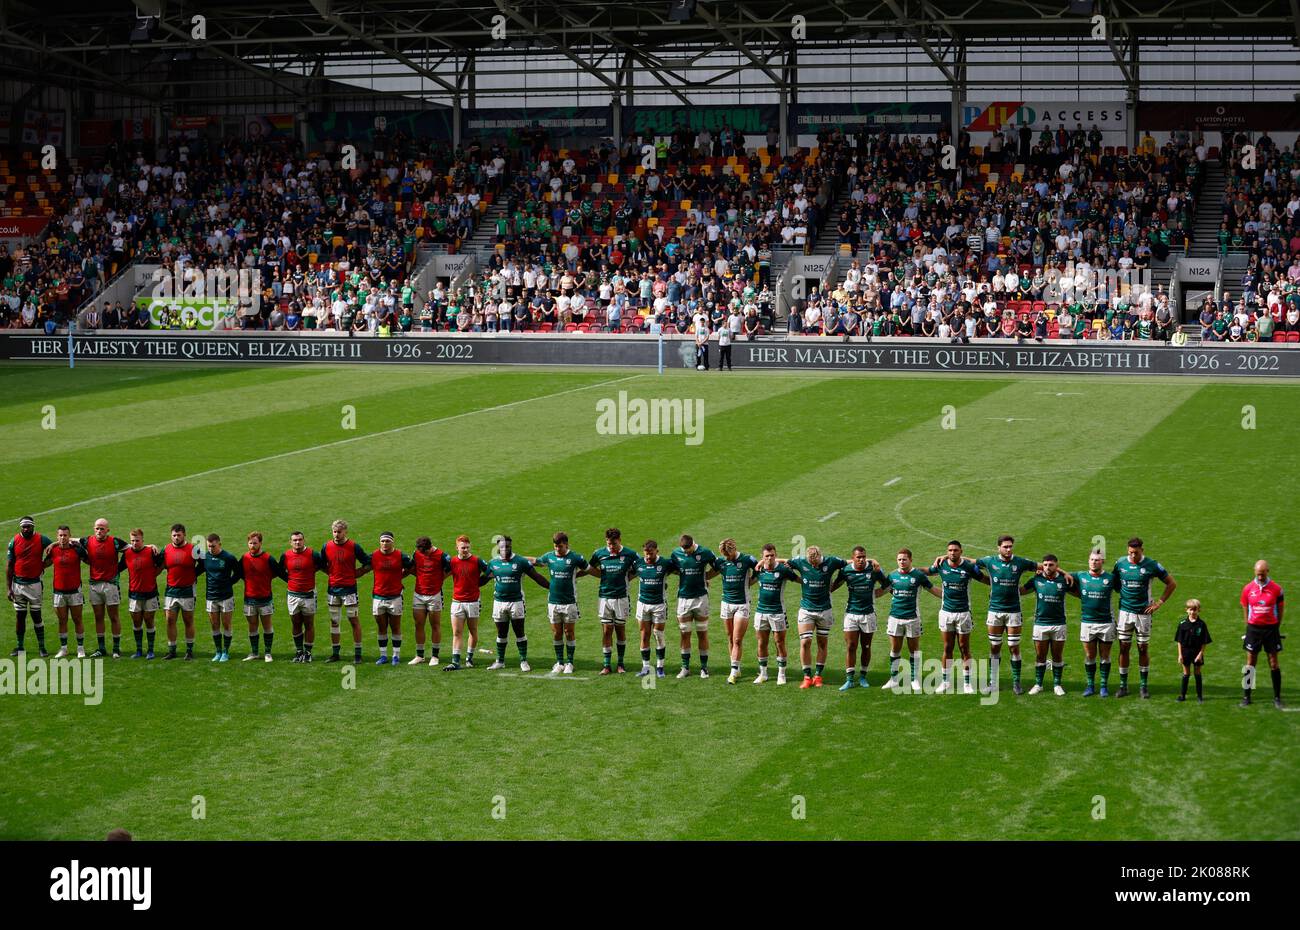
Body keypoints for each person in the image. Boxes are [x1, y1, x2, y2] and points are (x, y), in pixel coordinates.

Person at [1113, 536, 1176, 699]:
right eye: (1130, 552)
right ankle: (1123, 686)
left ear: (1142, 550)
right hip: (1125, 613)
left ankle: (1143, 686)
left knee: (1143, 648)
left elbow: (1171, 583)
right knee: (1123, 648)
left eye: (1136, 552)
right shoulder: (1120, 563)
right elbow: (1115, 583)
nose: (1133, 556)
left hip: (1144, 613)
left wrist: (1159, 603)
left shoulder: (1152, 565)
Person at [976, 535, 1039, 695]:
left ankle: (1016, 682)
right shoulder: (989, 561)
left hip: (1013, 611)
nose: (1009, 549)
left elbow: (1043, 566)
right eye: (1005, 546)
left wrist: (1063, 573)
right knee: (995, 647)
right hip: (995, 611)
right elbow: (969, 562)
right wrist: (943, 557)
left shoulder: (1020, 562)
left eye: (1010, 546)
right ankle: (993, 682)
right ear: (999, 547)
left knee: (1013, 647)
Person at [925, 540, 989, 694]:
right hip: (946, 612)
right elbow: (927, 571)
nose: (952, 553)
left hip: (963, 613)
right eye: (950, 550)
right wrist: (909, 569)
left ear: (961, 551)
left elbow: (984, 578)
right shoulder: (942, 565)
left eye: (955, 550)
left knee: (964, 648)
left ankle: (967, 683)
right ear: (947, 552)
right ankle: (945, 682)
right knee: (947, 647)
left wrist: (1000, 584)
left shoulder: (969, 567)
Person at [787, 545, 849, 688]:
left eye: (815, 563)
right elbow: (784, 563)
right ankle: (807, 676)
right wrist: (761, 562)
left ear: (820, 556)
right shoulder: (801, 561)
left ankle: (818, 676)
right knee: (805, 642)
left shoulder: (831, 562)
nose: (813, 565)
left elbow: (848, 564)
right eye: (811, 563)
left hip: (824, 610)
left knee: (822, 643)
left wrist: (872, 561)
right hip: (806, 610)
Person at [881, 548, 941, 692]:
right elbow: (882, 592)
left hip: (912, 618)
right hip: (895, 617)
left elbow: (933, 589)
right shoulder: (892, 576)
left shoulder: (918, 576)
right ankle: (894, 679)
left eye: (904, 559)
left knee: (914, 650)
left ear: (910, 560)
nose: (902, 562)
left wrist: (951, 596)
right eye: (899, 559)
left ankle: (914, 679)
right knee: (895, 649)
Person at [486, 535, 548, 671]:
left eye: (508, 546)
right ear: (498, 548)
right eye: (502, 547)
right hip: (499, 602)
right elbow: (483, 579)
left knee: (519, 632)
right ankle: (500, 661)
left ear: (511, 546)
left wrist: (551, 587)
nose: (505, 549)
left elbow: (536, 577)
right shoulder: (493, 563)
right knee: (501, 633)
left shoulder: (520, 561)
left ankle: (523, 660)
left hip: (516, 602)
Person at [832, 546, 889, 690]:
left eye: (864, 556)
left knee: (866, 646)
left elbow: (887, 585)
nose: (861, 559)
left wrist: (874, 595)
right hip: (851, 614)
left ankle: (863, 676)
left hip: (868, 614)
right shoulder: (846, 571)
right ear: (853, 558)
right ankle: (849, 679)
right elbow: (834, 586)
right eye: (858, 557)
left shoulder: (874, 570)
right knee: (851, 646)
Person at [533, 532, 588, 674]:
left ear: (567, 545)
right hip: (553, 602)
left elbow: (588, 569)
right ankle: (559, 662)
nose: (557, 549)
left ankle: (570, 662)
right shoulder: (549, 556)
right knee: (557, 633)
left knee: (569, 632)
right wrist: (516, 557)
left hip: (570, 602)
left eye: (560, 546)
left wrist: (577, 575)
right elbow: (536, 561)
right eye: (556, 546)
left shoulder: (575, 557)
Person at [586, 528, 639, 675]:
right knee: (607, 630)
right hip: (604, 597)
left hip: (621, 597)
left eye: (614, 544)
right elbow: (590, 568)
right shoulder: (599, 554)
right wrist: (601, 576)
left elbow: (641, 567)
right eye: (609, 544)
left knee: (620, 630)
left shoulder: (630, 554)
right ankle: (606, 665)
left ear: (620, 541)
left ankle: (621, 663)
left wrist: (629, 578)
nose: (611, 547)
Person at [1020, 554, 1074, 696]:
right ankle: (1038, 684)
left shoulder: (1065, 580)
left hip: (1059, 624)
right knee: (1040, 656)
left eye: (1051, 565)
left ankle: (1057, 684)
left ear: (1057, 565)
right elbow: (1021, 591)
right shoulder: (1036, 579)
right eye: (1045, 565)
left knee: (1057, 655)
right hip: (1040, 624)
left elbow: (1080, 592)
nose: (1048, 567)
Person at [320, 519, 372, 664]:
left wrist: (358, 573)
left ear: (345, 532)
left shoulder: (354, 546)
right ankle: (335, 653)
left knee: (353, 621)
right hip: (333, 590)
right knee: (334, 621)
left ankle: (358, 654)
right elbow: (321, 564)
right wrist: (330, 574)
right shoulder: (326, 546)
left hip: (349, 591)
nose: (336, 534)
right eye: (334, 532)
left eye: (339, 532)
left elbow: (368, 563)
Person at [670, 534, 719, 678]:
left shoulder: (705, 553)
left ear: (693, 545)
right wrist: (681, 574)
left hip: (700, 598)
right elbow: (672, 568)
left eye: (689, 550)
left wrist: (706, 577)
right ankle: (685, 667)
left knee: (702, 633)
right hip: (683, 599)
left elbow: (717, 567)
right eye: (684, 551)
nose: (686, 553)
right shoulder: (676, 553)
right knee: (685, 633)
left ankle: (704, 668)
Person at [1071, 549, 1118, 697]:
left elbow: (1125, 590)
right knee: (1090, 655)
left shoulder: (1111, 578)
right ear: (1088, 561)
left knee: (1105, 656)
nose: (1093, 562)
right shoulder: (1080, 576)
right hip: (1087, 623)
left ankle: (1103, 686)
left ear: (1102, 561)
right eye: (1091, 559)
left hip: (1106, 623)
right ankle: (1090, 685)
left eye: (1097, 560)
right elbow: (1059, 575)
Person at [78, 518, 127, 658]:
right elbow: (71, 540)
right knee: (98, 617)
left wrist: (119, 568)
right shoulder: (87, 541)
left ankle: (116, 649)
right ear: (94, 529)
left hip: (111, 585)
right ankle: (101, 648)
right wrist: (56, 543)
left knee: (114, 617)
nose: (99, 531)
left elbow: (132, 549)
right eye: (97, 528)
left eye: (102, 528)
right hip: (94, 585)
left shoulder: (115, 542)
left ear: (107, 530)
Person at [750, 544, 799, 684]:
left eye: (772, 555)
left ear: (776, 555)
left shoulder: (783, 570)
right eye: (766, 556)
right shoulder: (759, 570)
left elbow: (798, 578)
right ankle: (763, 673)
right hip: (761, 612)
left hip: (778, 612)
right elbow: (749, 581)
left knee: (779, 642)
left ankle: (781, 674)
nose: (770, 558)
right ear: (762, 557)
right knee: (761, 643)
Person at [1239, 559, 1284, 708]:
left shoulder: (1277, 589)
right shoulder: (1247, 589)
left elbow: (1281, 608)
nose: (1260, 577)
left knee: (1273, 663)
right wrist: (1248, 626)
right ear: (1254, 571)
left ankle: (1277, 697)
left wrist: (1277, 626)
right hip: (1254, 629)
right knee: (1250, 662)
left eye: (1263, 574)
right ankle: (1246, 697)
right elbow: (1245, 607)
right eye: (1258, 574)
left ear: (1267, 572)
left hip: (1271, 629)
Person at [712, 538, 757, 683]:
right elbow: (712, 571)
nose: (726, 557)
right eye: (724, 555)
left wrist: (751, 581)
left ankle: (733, 672)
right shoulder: (721, 561)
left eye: (728, 555)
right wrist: (704, 579)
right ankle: (736, 668)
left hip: (742, 604)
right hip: (726, 604)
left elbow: (761, 570)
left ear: (734, 550)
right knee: (730, 637)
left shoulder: (747, 559)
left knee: (737, 639)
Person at [7, 516, 52, 657]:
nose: (26, 529)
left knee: (36, 615)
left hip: (34, 584)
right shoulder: (14, 541)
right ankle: (20, 647)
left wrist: (44, 564)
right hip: (18, 585)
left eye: (28, 526)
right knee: (20, 616)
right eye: (23, 527)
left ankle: (42, 647)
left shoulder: (42, 539)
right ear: (20, 527)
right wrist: (9, 588)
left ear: (33, 526)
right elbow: (9, 566)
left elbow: (54, 552)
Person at [444, 535, 490, 671]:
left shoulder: (477, 561)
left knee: (473, 630)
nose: (465, 550)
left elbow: (489, 573)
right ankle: (455, 661)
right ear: (457, 548)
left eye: (467, 547)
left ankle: (469, 658)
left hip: (473, 602)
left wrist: (478, 583)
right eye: (462, 547)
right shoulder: (452, 562)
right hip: (457, 601)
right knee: (457, 632)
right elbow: (443, 575)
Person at [633, 539, 678, 678]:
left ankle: (660, 667)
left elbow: (681, 571)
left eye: (651, 554)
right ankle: (645, 666)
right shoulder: (638, 563)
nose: (648, 556)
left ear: (657, 551)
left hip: (659, 605)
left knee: (658, 634)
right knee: (644, 635)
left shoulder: (665, 564)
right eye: (646, 553)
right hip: (642, 604)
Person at [279, 531, 325, 663]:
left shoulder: (313, 554)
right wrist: (290, 580)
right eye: (294, 540)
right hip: (292, 595)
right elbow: (280, 571)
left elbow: (321, 566)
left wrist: (309, 574)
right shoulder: (286, 555)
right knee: (296, 623)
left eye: (299, 540)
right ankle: (299, 651)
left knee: (309, 623)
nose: (297, 542)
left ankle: (308, 653)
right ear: (290, 542)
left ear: (304, 540)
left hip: (309, 594)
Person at [370, 532, 414, 666]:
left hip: (395, 597)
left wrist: (400, 577)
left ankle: (396, 655)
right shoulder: (374, 556)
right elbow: (365, 566)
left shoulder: (400, 556)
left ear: (392, 542)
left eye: (387, 541)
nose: (384, 544)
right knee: (381, 627)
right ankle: (383, 655)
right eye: (382, 541)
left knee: (395, 627)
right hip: (378, 596)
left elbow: (411, 568)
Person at [197, 533, 242, 662]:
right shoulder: (205, 557)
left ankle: (226, 652)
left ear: (219, 544)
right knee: (214, 625)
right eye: (209, 546)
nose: (211, 549)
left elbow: (238, 573)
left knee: (226, 624)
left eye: (213, 546)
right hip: (211, 596)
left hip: (226, 596)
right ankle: (218, 652)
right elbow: (198, 569)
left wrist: (229, 583)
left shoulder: (228, 557)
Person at [120, 528, 164, 659]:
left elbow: (162, 563)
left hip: (150, 593)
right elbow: (118, 568)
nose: (134, 543)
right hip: (134, 594)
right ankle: (139, 650)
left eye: (137, 540)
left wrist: (154, 575)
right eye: (132, 540)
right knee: (136, 622)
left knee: (149, 621)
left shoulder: (151, 551)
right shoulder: (127, 553)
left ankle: (150, 650)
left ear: (143, 540)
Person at [44, 526, 87, 659]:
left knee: (77, 619)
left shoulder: (77, 550)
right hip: (58, 593)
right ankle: (64, 649)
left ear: (70, 536)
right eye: (61, 535)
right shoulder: (53, 550)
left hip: (75, 591)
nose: (63, 538)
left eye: (65, 535)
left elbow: (90, 561)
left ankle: (80, 648)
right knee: (62, 621)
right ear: (57, 537)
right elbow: (45, 564)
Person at [161, 524, 202, 660]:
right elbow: (156, 560)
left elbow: (204, 563)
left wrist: (194, 574)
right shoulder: (166, 549)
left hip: (188, 591)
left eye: (179, 535)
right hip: (171, 591)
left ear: (184, 535)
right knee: (169, 620)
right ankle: (172, 650)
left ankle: (189, 651)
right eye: (174, 535)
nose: (176, 537)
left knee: (188, 620)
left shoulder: (194, 548)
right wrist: (150, 547)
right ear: (170, 536)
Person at [409, 536, 451, 666]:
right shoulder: (417, 554)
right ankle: (419, 655)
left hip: (435, 595)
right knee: (419, 624)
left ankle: (435, 656)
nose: (423, 554)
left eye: (425, 552)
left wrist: (439, 579)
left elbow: (450, 570)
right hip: (418, 594)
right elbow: (412, 568)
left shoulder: (442, 556)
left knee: (435, 625)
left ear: (430, 547)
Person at [241, 532, 280, 662]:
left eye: (255, 543)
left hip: (265, 599)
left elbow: (278, 572)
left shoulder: (269, 559)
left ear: (260, 543)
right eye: (250, 543)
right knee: (252, 626)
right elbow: (240, 573)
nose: (252, 545)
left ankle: (268, 653)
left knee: (267, 625)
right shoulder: (244, 558)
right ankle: (254, 652)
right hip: (249, 599)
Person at [1174, 599, 1211, 703]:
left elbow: (1204, 641)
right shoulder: (1182, 624)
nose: (1193, 612)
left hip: (1197, 653)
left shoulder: (1202, 624)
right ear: (1186, 610)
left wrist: (1200, 654)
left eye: (1195, 610)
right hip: (1185, 652)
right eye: (1190, 610)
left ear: (1199, 610)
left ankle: (1199, 696)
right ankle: (1182, 695)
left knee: (1197, 673)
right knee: (1186, 673)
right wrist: (1180, 655)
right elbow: (1179, 641)